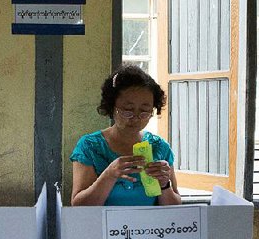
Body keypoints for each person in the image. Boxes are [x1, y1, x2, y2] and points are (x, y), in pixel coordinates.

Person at [70, 65, 181, 206]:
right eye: (128, 111)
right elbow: (79, 206)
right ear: (112, 107)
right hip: (104, 227)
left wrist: (165, 185)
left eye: (145, 112)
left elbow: (175, 209)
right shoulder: (90, 147)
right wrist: (109, 174)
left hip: (151, 227)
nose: (135, 118)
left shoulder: (159, 147)